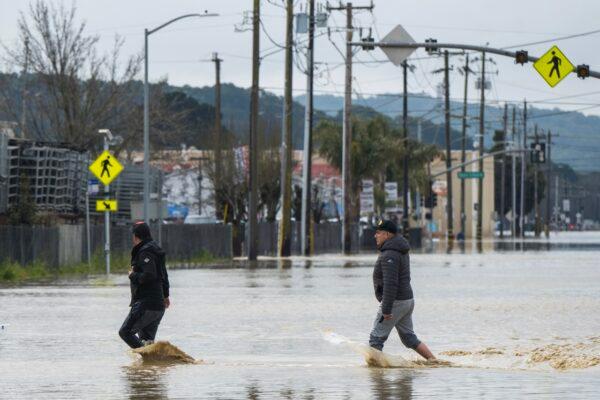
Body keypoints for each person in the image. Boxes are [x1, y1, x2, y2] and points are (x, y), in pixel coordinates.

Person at [369, 219, 435, 360]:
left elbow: (391, 283)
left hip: (395, 302)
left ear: (387, 234)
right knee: (409, 338)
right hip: (406, 300)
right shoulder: (399, 249)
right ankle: (434, 361)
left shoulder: (390, 254)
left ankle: (376, 377)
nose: (375, 236)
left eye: (378, 233)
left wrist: (386, 309)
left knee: (376, 339)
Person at [119, 222, 170, 348]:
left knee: (125, 332)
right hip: (158, 306)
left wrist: (132, 275)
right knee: (146, 342)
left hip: (146, 305)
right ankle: (152, 365)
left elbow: (149, 275)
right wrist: (165, 295)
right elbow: (164, 274)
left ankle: (149, 358)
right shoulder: (155, 249)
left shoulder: (144, 252)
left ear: (136, 236)